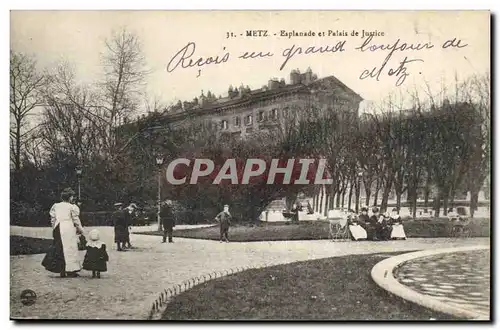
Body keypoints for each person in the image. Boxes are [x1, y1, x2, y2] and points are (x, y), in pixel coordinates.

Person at [42, 188, 84, 278]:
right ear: (69, 197)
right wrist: (81, 230)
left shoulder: (56, 206)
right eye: (72, 196)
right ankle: (70, 270)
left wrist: (54, 227)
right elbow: (76, 220)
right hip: (67, 227)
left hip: (58, 227)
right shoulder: (72, 207)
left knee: (59, 249)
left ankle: (61, 270)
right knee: (70, 249)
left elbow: (52, 218)